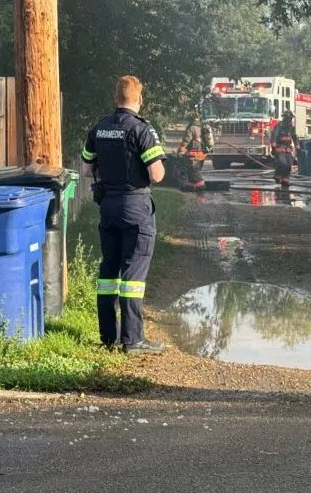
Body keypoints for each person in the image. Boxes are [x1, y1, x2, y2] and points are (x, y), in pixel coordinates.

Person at [81, 75, 167, 355]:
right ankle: (133, 340)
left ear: (115, 98)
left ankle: (108, 337)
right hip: (135, 208)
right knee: (133, 274)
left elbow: (85, 168)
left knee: (109, 270)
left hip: (107, 207)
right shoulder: (142, 130)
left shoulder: (100, 128)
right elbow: (156, 174)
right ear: (139, 100)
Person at [177, 111, 213, 191]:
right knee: (195, 170)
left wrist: (180, 151)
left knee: (194, 171)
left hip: (193, 155)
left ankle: (199, 187)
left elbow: (186, 141)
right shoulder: (202, 127)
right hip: (201, 155)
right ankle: (193, 186)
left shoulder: (191, 128)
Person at [270, 110, 300, 187]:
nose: (289, 120)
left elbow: (295, 137)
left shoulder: (291, 128)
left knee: (289, 165)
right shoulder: (278, 126)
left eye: (290, 118)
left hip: (288, 149)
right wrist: (273, 146)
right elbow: (274, 136)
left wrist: (297, 145)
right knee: (283, 163)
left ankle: (284, 179)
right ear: (285, 118)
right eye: (288, 118)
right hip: (279, 148)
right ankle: (280, 176)